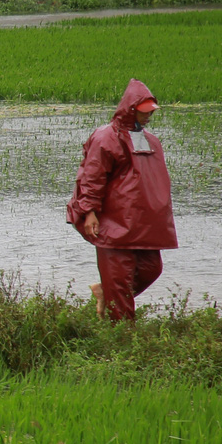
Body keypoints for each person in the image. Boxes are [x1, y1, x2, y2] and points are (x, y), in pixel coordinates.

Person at [68, 78, 177, 321]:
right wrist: (89, 211)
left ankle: (104, 292)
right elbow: (92, 176)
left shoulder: (151, 140)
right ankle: (122, 344)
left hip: (143, 224)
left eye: (150, 112)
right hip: (114, 223)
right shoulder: (106, 137)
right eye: (144, 111)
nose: (148, 116)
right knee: (118, 284)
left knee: (151, 269)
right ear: (130, 109)